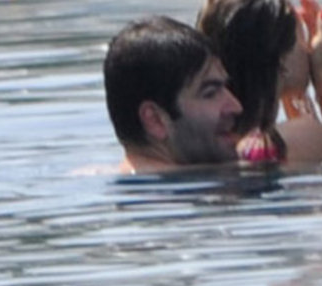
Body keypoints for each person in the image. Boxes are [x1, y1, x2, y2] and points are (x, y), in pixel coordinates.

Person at [196, 0, 322, 164]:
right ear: (282, 58)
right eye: (302, 36)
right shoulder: (306, 136)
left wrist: (293, 92)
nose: (308, 49)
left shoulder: (208, 141)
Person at [103, 16, 243, 173]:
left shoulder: (104, 175)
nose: (236, 107)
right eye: (210, 93)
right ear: (155, 120)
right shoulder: (187, 187)